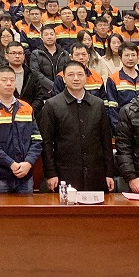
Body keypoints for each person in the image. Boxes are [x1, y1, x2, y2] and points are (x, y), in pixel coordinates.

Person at [39, 61, 115, 193]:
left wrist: (109, 173)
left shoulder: (98, 104)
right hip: (64, 174)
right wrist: (50, 173)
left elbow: (106, 142)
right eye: (71, 75)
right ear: (64, 78)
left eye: (80, 74)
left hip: (95, 174)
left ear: (86, 77)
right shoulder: (52, 105)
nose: (76, 78)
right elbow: (46, 143)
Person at [0, 67, 42, 194]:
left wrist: (28, 163)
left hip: (25, 176)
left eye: (12, 80)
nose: (9, 83)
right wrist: (11, 164)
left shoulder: (26, 108)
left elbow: (37, 140)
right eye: (4, 80)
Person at [105, 43, 139, 130]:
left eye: (133, 55)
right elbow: (112, 106)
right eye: (127, 55)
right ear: (120, 58)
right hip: (124, 125)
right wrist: (117, 128)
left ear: (138, 57)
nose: (130, 58)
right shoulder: (113, 79)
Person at [4, 41, 47, 115]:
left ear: (24, 56)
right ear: (6, 56)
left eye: (20, 53)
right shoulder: (0, 74)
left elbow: (39, 98)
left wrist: (28, 111)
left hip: (29, 115)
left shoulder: (32, 74)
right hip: (6, 115)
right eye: (13, 53)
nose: (17, 56)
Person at [30, 26, 69, 96]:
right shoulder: (36, 53)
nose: (49, 37)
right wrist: (53, 86)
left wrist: (59, 86)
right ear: (41, 37)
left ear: (56, 36)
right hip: (44, 92)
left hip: (63, 91)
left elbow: (68, 71)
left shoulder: (64, 53)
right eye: (46, 35)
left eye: (51, 34)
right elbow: (36, 73)